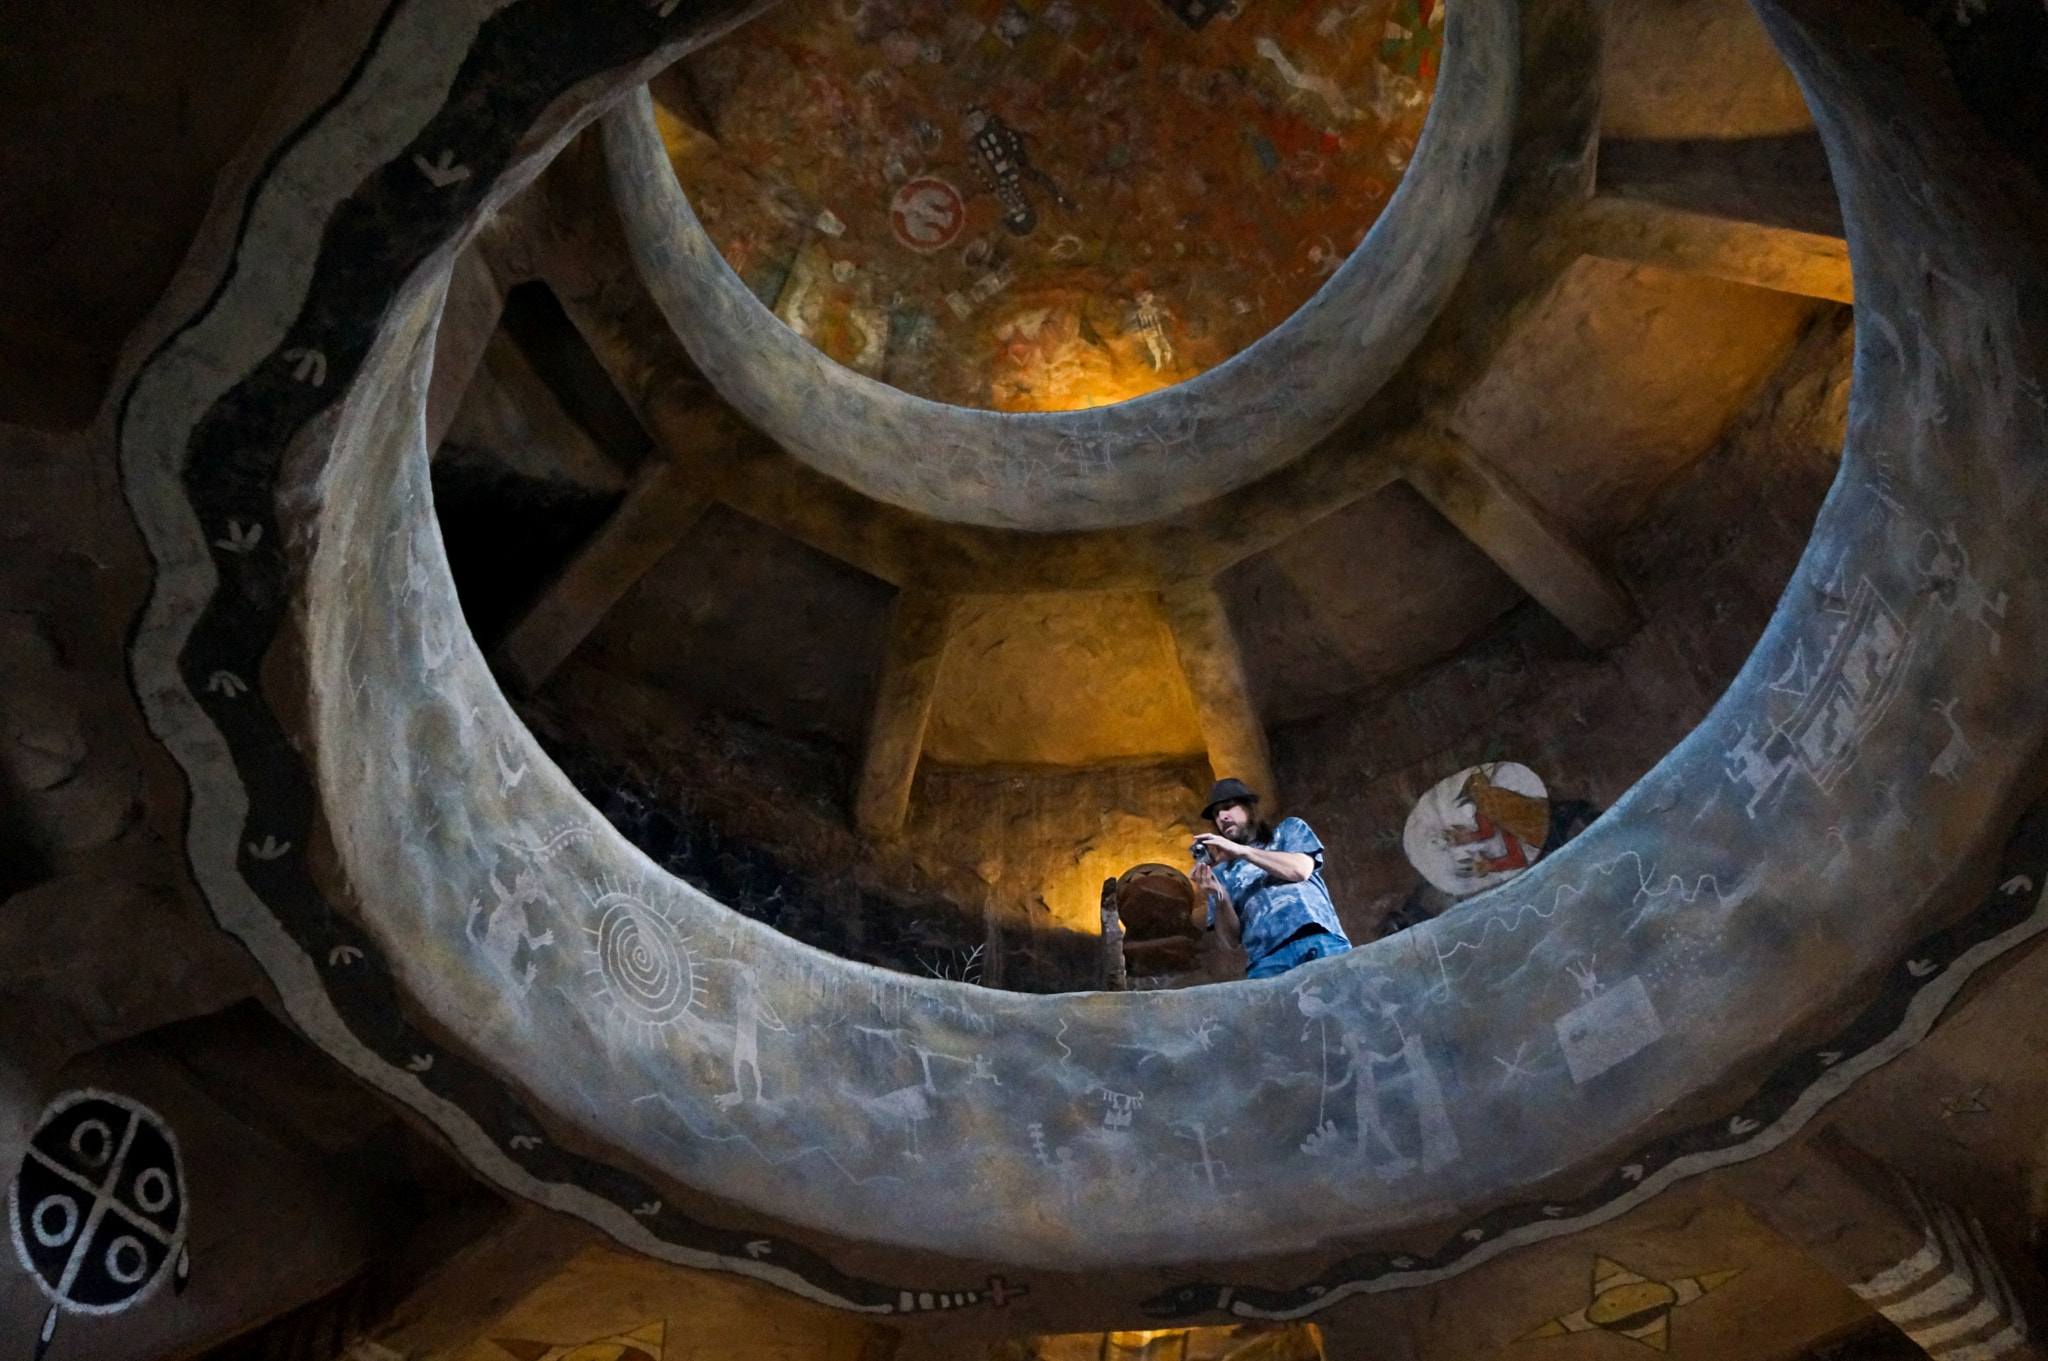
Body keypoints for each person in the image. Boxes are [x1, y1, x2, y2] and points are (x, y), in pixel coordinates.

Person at [1189, 778, 1351, 980]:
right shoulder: (1220, 873)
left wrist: (1242, 851)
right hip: (1265, 961)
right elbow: (1231, 941)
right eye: (1216, 814)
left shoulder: (1288, 830)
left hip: (1316, 937)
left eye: (1229, 806)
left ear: (1249, 808)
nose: (1222, 816)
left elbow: (1300, 869)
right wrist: (1218, 894)